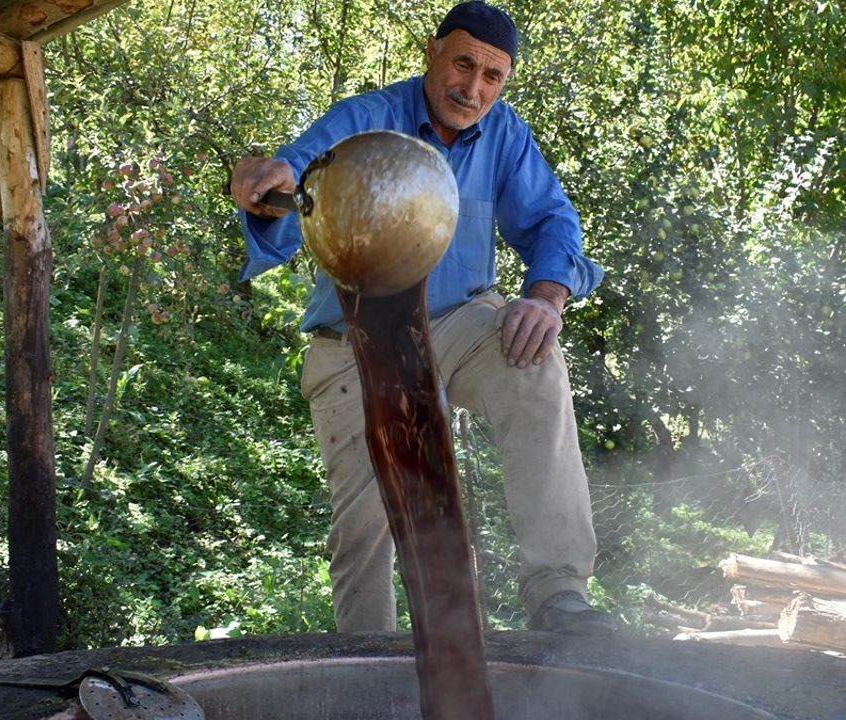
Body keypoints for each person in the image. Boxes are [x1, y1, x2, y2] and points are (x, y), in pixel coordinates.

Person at [229, 1, 612, 635]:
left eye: (493, 76)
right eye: (463, 64)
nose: (474, 89)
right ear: (432, 51)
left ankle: (560, 596)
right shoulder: (368, 119)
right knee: (365, 527)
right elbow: (296, 174)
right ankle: (370, 665)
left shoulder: (507, 135)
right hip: (355, 341)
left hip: (462, 325)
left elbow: (551, 223)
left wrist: (545, 297)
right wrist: (264, 183)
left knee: (534, 357)